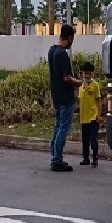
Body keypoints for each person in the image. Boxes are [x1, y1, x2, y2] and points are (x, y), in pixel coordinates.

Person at [48, 23, 81, 172]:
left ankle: (54, 156)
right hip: (65, 97)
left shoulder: (52, 50)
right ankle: (57, 160)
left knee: (57, 126)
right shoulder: (62, 54)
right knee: (63, 128)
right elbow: (67, 78)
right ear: (69, 37)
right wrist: (80, 83)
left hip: (56, 95)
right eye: (72, 39)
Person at [78, 61, 102, 167]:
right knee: (85, 139)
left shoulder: (95, 85)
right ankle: (85, 158)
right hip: (84, 116)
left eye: (88, 73)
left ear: (92, 74)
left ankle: (95, 158)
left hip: (93, 115)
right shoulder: (81, 86)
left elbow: (99, 100)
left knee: (93, 139)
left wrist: (99, 115)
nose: (86, 76)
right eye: (85, 73)